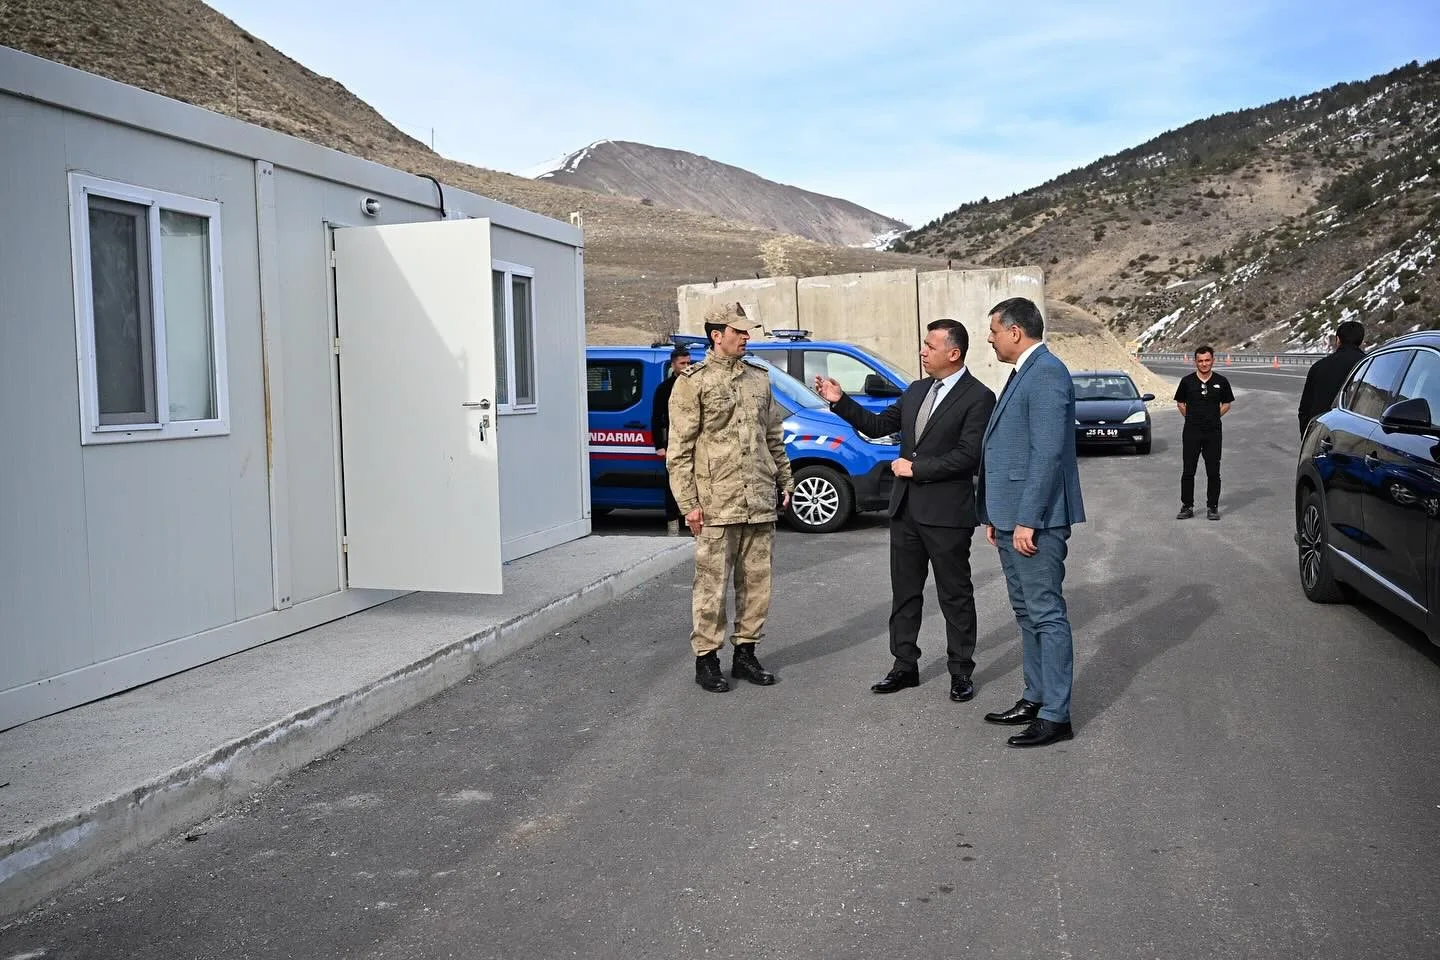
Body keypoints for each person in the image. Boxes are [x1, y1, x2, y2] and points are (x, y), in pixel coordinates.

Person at [814, 319, 996, 701]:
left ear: (954, 353)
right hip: (907, 511)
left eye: (929, 346)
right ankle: (904, 666)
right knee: (905, 594)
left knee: (955, 596)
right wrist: (839, 400)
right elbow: (879, 426)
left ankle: (960, 671)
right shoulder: (915, 390)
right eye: (923, 345)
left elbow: (969, 456)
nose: (922, 351)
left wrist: (917, 468)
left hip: (947, 515)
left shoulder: (979, 397)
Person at [667, 302, 795, 693]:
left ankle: (746, 654)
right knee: (711, 585)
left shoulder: (760, 379)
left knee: (757, 583)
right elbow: (679, 451)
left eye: (746, 331)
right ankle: (707, 659)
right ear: (716, 335)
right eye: (738, 331)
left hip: (757, 498)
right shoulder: (693, 381)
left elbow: (772, 436)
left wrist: (785, 479)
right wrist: (688, 503)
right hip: (715, 504)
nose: (746, 337)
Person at [977, 297, 1085, 749]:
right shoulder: (1025, 372)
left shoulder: (1046, 373)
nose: (989, 338)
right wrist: (995, 515)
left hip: (1034, 520)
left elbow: (1046, 454)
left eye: (994, 331)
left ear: (1016, 331)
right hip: (1010, 517)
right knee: (1026, 613)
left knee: (1046, 614)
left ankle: (1056, 715)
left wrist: (1026, 520)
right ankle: (1035, 697)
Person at [1173, 346, 1234, 521]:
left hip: (1213, 433)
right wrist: (1192, 418)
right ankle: (1187, 506)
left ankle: (1212, 507)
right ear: (1195, 362)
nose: (1204, 364)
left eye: (1207, 360)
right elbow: (1180, 403)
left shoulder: (1221, 381)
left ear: (1213, 360)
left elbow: (1227, 403)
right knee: (1188, 470)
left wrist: (1213, 417)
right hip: (1192, 432)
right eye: (1200, 361)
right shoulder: (1187, 382)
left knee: (1213, 471)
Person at [651, 345, 693, 536]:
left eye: (689, 362)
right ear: (674, 364)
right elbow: (656, 417)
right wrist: (659, 445)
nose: (687, 366)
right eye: (682, 363)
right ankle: (672, 524)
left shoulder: (696, 383)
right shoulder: (664, 388)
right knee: (672, 484)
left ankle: (694, 522)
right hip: (673, 443)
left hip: (694, 442)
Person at [1298, 320, 1366, 436]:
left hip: (1321, 434)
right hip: (1357, 437)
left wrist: (1308, 437)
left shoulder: (1318, 367)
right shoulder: (1368, 366)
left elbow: (1305, 409)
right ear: (1362, 341)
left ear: (1338, 340)